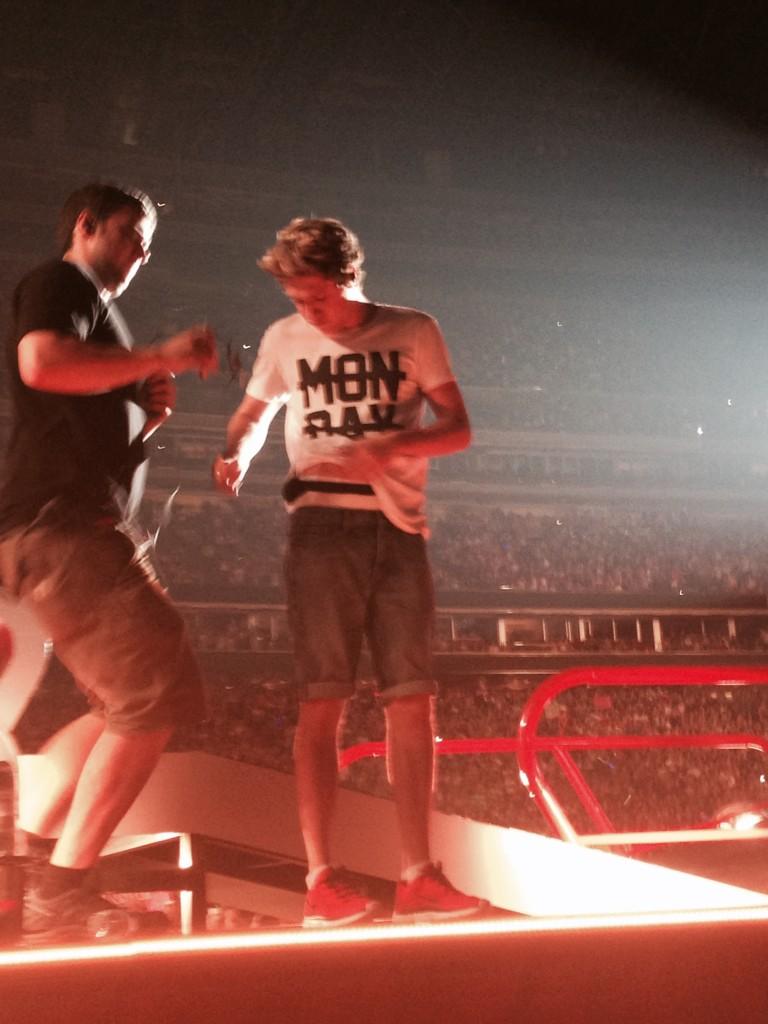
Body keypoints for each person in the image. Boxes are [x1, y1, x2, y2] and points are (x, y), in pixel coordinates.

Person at [213, 217, 486, 926]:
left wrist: (390, 447)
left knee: (412, 700)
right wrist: (237, 451)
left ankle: (418, 875)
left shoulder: (413, 330)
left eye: (317, 297)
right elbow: (253, 413)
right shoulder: (283, 338)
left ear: (347, 278)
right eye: (296, 300)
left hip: (398, 528)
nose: (307, 311)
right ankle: (321, 880)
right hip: (320, 528)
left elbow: (459, 427)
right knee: (322, 700)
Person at [0, 183, 218, 942]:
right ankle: (59, 889)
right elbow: (40, 362)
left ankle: (33, 857)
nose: (140, 254)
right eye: (130, 235)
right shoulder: (61, 284)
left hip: (54, 528)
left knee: (121, 704)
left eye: (147, 246)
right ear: (86, 225)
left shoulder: (98, 317)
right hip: (62, 530)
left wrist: (145, 416)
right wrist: (158, 354)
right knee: (157, 687)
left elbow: (80, 431)